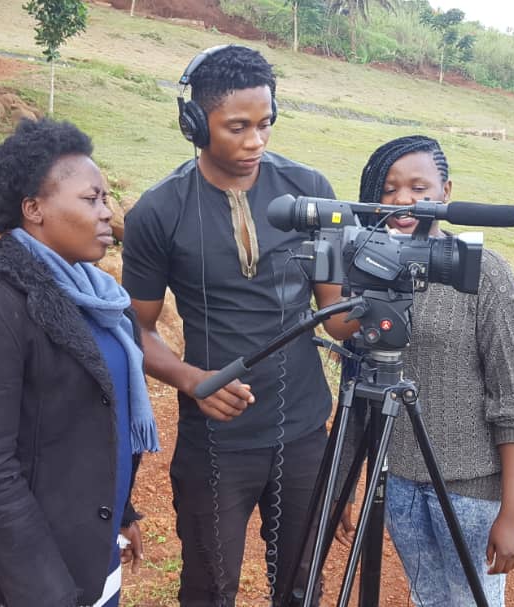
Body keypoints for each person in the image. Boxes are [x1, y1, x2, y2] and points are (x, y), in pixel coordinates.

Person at [121, 45, 351, 606]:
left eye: (267, 123)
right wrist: (191, 379)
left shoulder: (310, 191)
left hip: (302, 432)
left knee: (301, 587)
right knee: (208, 588)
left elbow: (338, 316)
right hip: (214, 441)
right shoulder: (158, 211)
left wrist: (380, 308)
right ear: (195, 124)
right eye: (238, 127)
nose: (256, 142)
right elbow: (137, 330)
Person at [0, 118, 159, 607]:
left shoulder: (100, 303)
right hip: (23, 582)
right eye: (91, 199)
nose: (106, 213)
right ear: (33, 209)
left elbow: (91, 426)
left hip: (91, 559)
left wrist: (119, 513)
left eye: (106, 199)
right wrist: (48, 593)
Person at [336, 135, 514, 606]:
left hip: (470, 494)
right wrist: (348, 483)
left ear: (446, 192)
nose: (404, 200)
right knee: (427, 598)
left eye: (419, 187)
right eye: (389, 189)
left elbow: (513, 403)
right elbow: (358, 387)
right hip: (398, 486)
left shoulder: (486, 275)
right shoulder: (366, 273)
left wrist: (512, 514)